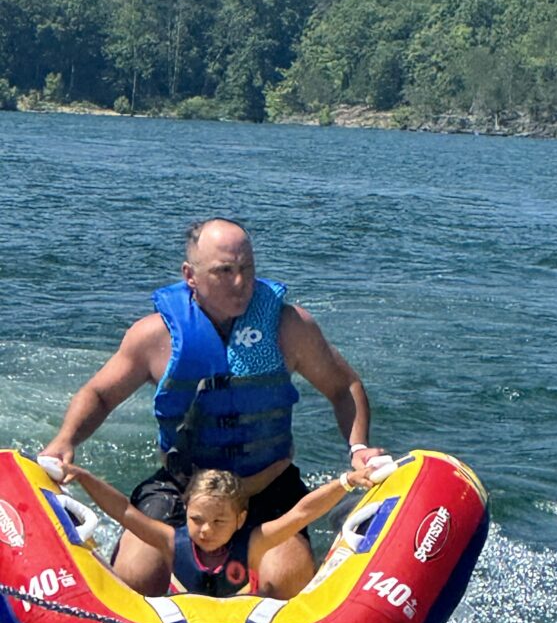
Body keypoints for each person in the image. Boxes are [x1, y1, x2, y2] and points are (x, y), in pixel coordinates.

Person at [40, 218, 384, 598]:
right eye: (224, 271)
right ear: (190, 275)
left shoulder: (290, 327)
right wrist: (65, 439)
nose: (240, 283)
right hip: (183, 488)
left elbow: (343, 386)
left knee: (284, 579)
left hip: (266, 485)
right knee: (136, 577)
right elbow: (100, 394)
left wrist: (358, 447)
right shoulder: (155, 337)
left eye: (247, 269)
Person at [59, 459, 380, 598]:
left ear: (240, 520)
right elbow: (125, 511)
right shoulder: (171, 541)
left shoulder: (253, 544)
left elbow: (300, 513)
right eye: (197, 519)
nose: (205, 530)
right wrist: (85, 478)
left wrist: (346, 481)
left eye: (219, 522)